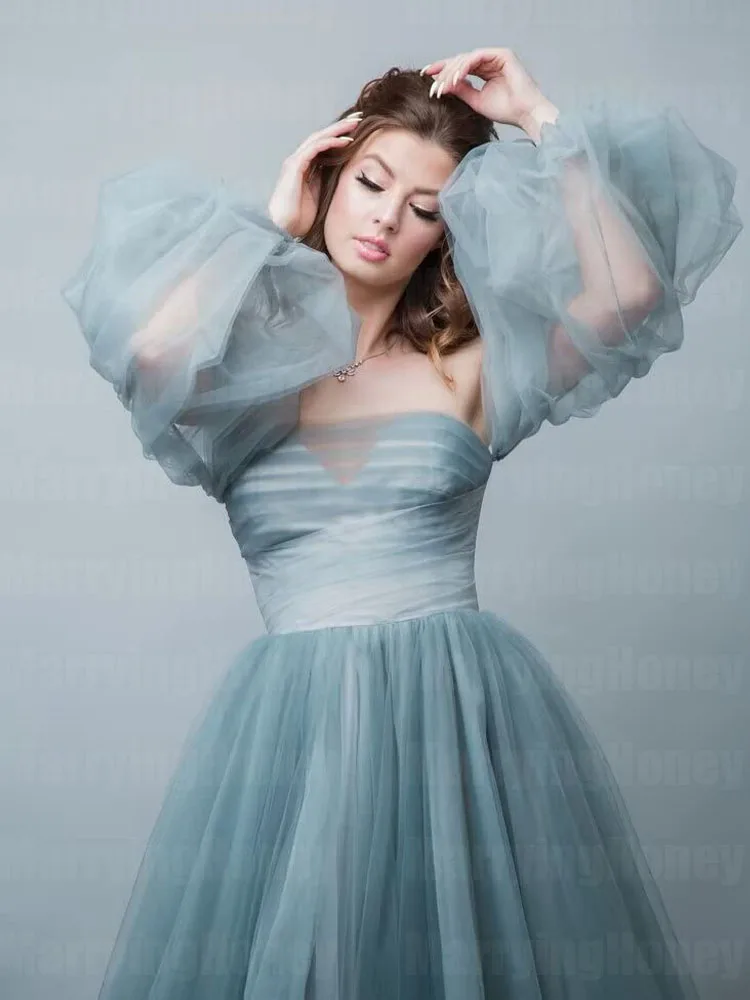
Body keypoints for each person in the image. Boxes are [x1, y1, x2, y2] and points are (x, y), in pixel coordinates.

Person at [61, 48, 742, 1000]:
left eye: (425, 207)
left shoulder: (470, 364)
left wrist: (538, 116)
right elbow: (149, 351)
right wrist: (267, 227)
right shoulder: (234, 372)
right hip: (291, 741)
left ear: (446, 233)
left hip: (455, 726)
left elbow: (627, 297)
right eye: (372, 183)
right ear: (332, 177)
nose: (385, 218)